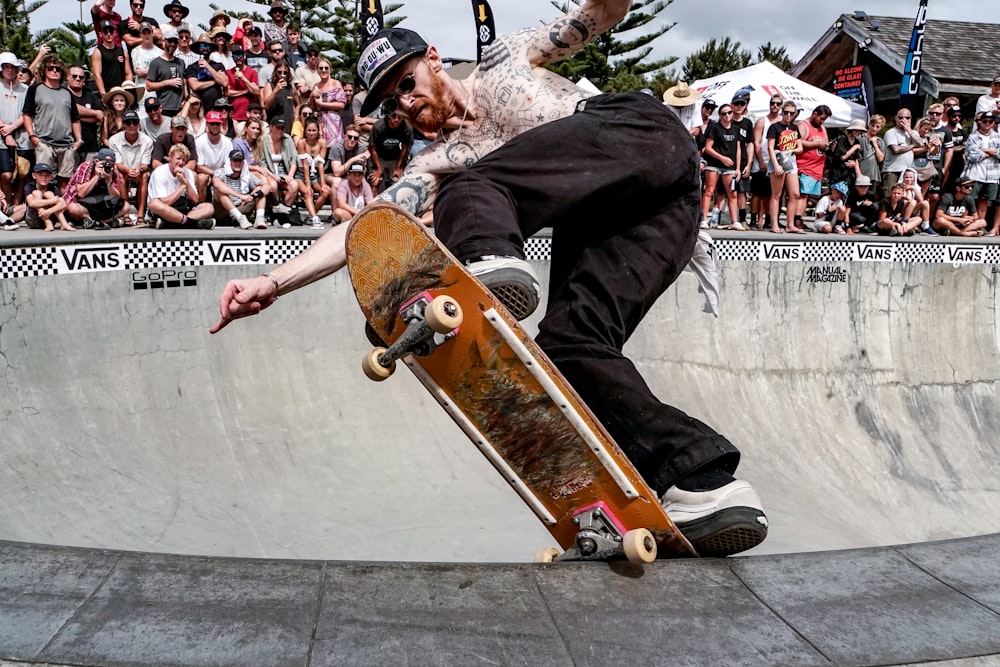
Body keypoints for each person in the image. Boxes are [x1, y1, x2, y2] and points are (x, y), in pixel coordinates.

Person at [211, 8, 767, 558]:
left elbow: (598, 14)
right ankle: (702, 480)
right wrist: (273, 281)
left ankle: (491, 264)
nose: (406, 103)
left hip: (643, 139)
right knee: (569, 352)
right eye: (392, 102)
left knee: (465, 188)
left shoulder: (505, 60)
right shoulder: (433, 161)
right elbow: (366, 227)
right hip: (638, 218)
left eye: (408, 83)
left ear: (434, 59)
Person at [22, 56, 83, 189]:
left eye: (58, 69)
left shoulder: (67, 92)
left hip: (67, 145)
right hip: (44, 143)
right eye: (50, 68)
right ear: (44, 70)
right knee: (43, 180)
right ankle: (43, 209)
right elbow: (27, 114)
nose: (54, 71)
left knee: (65, 181)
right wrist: (32, 137)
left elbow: (75, 119)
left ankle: (63, 208)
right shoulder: (35, 89)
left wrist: (78, 140)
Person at [147, 142, 215, 228]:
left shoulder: (188, 172)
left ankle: (171, 223)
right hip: (166, 209)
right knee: (154, 204)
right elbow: (165, 202)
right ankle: (193, 223)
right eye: (178, 159)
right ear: (170, 158)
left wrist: (186, 183)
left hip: (183, 208)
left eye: (183, 160)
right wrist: (182, 186)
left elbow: (195, 200)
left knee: (209, 207)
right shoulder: (159, 172)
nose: (181, 163)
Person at [63, 147, 130, 229]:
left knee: (126, 206)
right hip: (83, 202)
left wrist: (109, 181)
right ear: (97, 161)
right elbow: (81, 193)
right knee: (72, 208)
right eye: (104, 163)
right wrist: (96, 176)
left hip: (100, 203)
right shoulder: (86, 167)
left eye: (110, 164)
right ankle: (104, 221)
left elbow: (116, 198)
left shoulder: (113, 171)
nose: (107, 166)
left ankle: (99, 222)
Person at [108, 109, 153, 224]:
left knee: (144, 177)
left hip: (139, 171)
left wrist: (139, 169)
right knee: (120, 176)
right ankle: (125, 214)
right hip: (123, 171)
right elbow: (118, 163)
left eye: (135, 122)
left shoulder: (147, 141)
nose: (132, 125)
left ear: (139, 124)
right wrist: (128, 170)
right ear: (123, 124)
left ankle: (141, 215)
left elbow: (145, 164)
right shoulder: (114, 140)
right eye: (128, 123)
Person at [766, 101, 803, 233]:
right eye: (786, 112)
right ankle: (774, 224)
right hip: (778, 158)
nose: (788, 115)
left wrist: (791, 150)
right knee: (777, 194)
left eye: (791, 113)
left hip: (790, 159)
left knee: (794, 194)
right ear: (782, 112)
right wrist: (776, 164)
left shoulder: (794, 127)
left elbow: (800, 147)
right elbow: (770, 148)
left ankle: (790, 224)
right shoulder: (774, 127)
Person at [212, 148, 269, 229]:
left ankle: (259, 219)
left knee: (260, 190)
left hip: (241, 207)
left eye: (240, 161)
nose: (238, 163)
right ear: (230, 162)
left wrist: (253, 196)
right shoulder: (221, 172)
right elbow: (217, 184)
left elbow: (267, 186)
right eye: (235, 160)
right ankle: (240, 218)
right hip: (223, 210)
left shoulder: (247, 174)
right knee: (219, 190)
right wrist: (240, 196)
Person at [794, 104, 830, 230]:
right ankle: (796, 219)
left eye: (824, 120)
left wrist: (827, 146)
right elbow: (798, 142)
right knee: (802, 194)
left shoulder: (822, 128)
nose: (822, 121)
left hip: (817, 167)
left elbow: (825, 142)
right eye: (821, 118)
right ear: (815, 114)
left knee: (807, 195)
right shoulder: (803, 126)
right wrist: (817, 144)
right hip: (804, 166)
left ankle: (800, 217)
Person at [0, 51, 29, 203]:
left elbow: (27, 112)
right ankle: (6, 204)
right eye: (6, 67)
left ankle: (15, 206)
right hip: (2, 138)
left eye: (13, 67)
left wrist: (11, 129)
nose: (10, 70)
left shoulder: (25, 89)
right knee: (6, 174)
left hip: (22, 137)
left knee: (22, 173)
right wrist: (6, 133)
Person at [750, 94, 782, 229]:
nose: (774, 106)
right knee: (757, 193)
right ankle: (753, 218)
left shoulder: (782, 121)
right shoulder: (762, 121)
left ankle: (769, 219)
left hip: (776, 162)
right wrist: (761, 161)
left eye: (778, 104)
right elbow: (756, 143)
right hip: (761, 161)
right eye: (772, 103)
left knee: (771, 193)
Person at [295, 116, 329, 228]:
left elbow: (320, 165)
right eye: (309, 130)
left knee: (326, 192)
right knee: (308, 192)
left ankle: (311, 215)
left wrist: (323, 184)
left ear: (318, 131)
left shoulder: (322, 143)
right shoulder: (301, 143)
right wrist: (308, 184)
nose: (311, 133)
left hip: (315, 175)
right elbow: (305, 165)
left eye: (314, 130)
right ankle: (315, 219)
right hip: (301, 175)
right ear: (305, 131)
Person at [145, 25, 186, 117]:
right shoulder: (156, 63)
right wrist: (168, 82)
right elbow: (149, 86)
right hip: (164, 107)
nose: (172, 44)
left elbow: (185, 82)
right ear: (164, 41)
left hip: (180, 108)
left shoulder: (181, 62)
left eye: (175, 42)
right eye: (170, 41)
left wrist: (186, 99)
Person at [368, 111, 412, 193]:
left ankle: (391, 204)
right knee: (375, 182)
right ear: (388, 116)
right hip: (379, 156)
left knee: (397, 184)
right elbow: (372, 148)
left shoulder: (406, 127)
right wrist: (378, 169)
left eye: (399, 117)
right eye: (394, 117)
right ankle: (373, 204)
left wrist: (398, 168)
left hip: (395, 157)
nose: (396, 120)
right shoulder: (378, 126)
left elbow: (405, 148)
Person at [195, 110, 233, 200]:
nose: (215, 126)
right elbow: (199, 167)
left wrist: (218, 174)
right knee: (201, 178)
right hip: (205, 174)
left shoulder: (227, 142)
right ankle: (201, 206)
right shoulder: (200, 141)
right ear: (207, 124)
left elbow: (228, 164)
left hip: (223, 173)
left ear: (221, 125)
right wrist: (215, 173)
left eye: (217, 123)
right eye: (212, 124)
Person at [25, 162, 74, 231]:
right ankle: (47, 222)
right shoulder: (30, 186)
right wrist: (52, 201)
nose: (43, 178)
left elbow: (63, 204)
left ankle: (64, 223)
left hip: (51, 216)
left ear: (51, 177)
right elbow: (32, 203)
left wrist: (48, 212)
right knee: (36, 193)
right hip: (34, 220)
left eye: (46, 175)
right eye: (40, 175)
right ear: (34, 175)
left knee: (49, 194)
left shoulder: (53, 188)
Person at [91, 19, 133, 96]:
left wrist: (128, 89)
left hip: (122, 91)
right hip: (107, 91)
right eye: (105, 32)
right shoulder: (98, 51)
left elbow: (128, 73)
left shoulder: (122, 51)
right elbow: (97, 74)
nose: (109, 34)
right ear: (101, 34)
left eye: (111, 31)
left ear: (114, 32)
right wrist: (103, 93)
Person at [326, 123, 367, 193]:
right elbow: (336, 173)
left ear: (358, 140)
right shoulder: (336, 148)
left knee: (361, 181)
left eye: (355, 138)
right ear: (345, 137)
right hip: (330, 174)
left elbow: (362, 170)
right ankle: (335, 204)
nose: (352, 139)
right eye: (350, 137)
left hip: (350, 174)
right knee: (337, 182)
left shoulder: (361, 149)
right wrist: (352, 159)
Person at [100, 85, 132, 149]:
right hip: (111, 147)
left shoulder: (130, 116)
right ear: (112, 102)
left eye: (122, 100)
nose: (119, 103)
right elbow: (104, 139)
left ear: (126, 102)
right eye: (116, 100)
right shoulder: (107, 117)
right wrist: (114, 148)